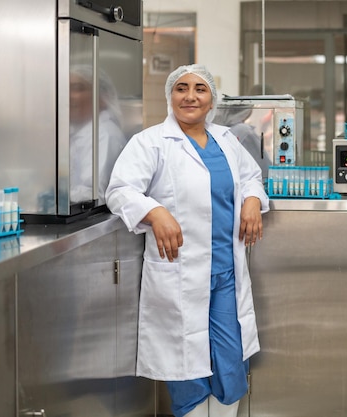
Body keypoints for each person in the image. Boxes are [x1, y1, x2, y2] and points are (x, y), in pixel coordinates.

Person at [105, 64, 269, 417]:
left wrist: (253, 201)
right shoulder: (150, 142)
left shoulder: (228, 141)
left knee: (230, 358)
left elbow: (251, 176)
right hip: (179, 272)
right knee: (184, 364)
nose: (190, 96)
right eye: (181, 88)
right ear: (170, 96)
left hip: (226, 273)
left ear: (212, 101)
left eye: (199, 89)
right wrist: (155, 211)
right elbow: (120, 191)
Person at [69, 65, 126, 205]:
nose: (68, 96)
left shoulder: (103, 134)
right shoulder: (79, 133)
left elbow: (93, 194)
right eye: (66, 88)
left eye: (77, 88)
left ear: (102, 97)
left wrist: (58, 196)